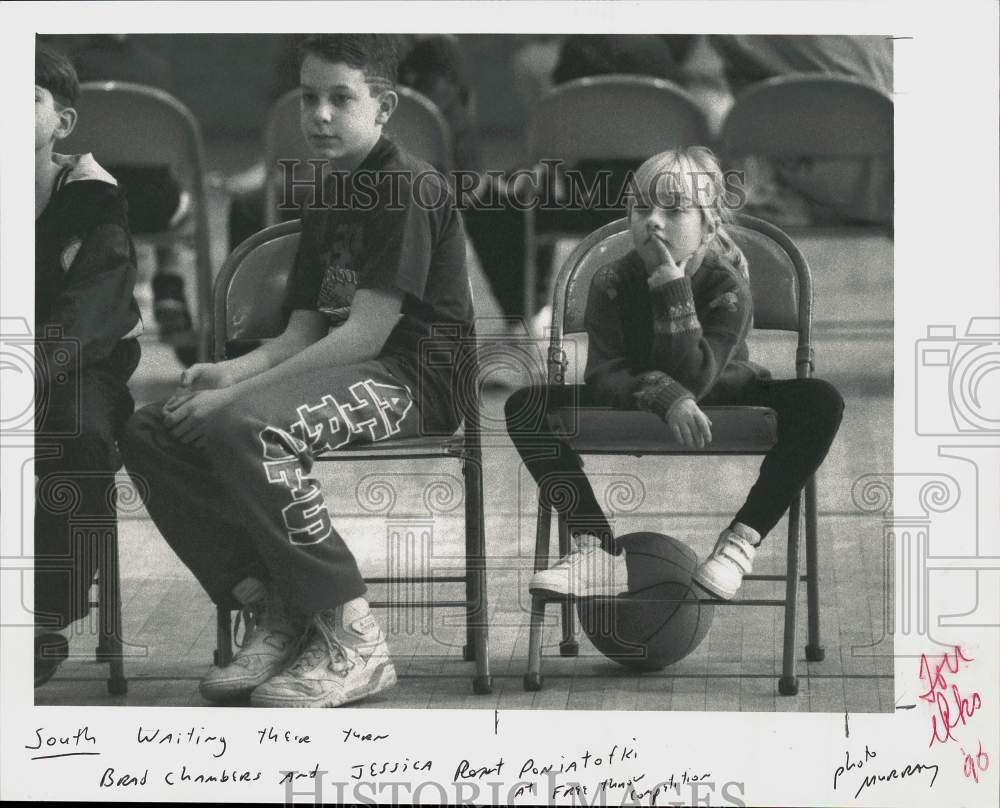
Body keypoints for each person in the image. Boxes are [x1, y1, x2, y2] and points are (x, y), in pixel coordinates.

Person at [121, 34, 473, 708]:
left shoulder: (406, 186)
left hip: (417, 380)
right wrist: (233, 372)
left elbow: (368, 333)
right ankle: (279, 603)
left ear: (385, 106)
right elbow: (306, 329)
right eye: (309, 98)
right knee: (151, 431)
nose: (319, 114)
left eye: (341, 98)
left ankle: (354, 638)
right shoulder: (328, 189)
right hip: (356, 366)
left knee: (249, 426)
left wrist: (242, 398)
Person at [505, 147, 844, 600]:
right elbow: (603, 374)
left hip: (724, 394)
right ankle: (595, 549)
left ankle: (740, 542)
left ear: (709, 225)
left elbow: (698, 377)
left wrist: (673, 289)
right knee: (525, 406)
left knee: (820, 401)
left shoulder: (728, 284)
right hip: (634, 398)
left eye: (674, 210)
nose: (654, 221)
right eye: (642, 207)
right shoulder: (611, 279)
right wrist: (665, 395)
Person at [34, 44, 142, 686]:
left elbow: (92, 312)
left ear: (61, 124)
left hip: (77, 365)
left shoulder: (95, 197)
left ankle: (44, 617)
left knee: (77, 432)